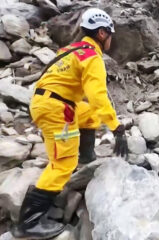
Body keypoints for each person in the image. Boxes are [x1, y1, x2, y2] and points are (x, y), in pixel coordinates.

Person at [10, 8, 128, 239]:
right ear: (102, 33)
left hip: (49, 102)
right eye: (110, 35)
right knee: (63, 163)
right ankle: (28, 222)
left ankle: (86, 157)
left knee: (89, 113)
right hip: (57, 111)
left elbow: (88, 100)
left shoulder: (71, 50)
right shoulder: (92, 57)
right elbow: (98, 96)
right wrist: (117, 128)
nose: (111, 40)